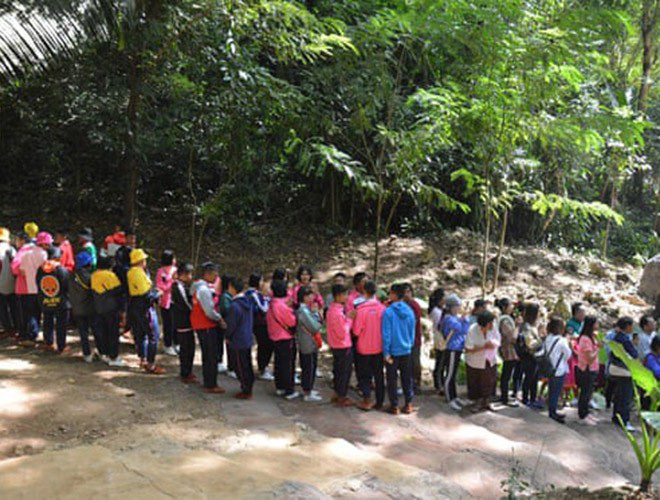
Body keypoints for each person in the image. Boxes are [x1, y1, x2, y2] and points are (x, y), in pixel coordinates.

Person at [127, 248, 164, 374]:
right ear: (141, 260)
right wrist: (158, 293)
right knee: (153, 335)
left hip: (134, 306)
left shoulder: (130, 272)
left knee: (140, 334)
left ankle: (142, 358)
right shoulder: (138, 273)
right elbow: (146, 295)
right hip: (144, 308)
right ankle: (150, 364)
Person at [382, 283, 416, 415]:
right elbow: (412, 331)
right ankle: (408, 403)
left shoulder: (388, 312)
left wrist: (386, 352)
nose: (389, 295)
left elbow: (386, 334)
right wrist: (409, 344)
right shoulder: (409, 311)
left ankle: (394, 405)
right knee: (407, 377)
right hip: (406, 349)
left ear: (395, 295)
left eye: (390, 293)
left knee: (392, 378)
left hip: (392, 351)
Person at [353, 280, 386, 411]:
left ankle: (367, 399)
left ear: (364, 292)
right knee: (378, 374)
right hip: (379, 347)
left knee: (364, 374)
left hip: (364, 348)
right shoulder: (383, 309)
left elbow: (356, 331)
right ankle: (380, 400)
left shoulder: (361, 310)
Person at [13, 231, 47, 345]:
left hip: (26, 286)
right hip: (41, 286)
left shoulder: (24, 253)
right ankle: (35, 333)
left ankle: (29, 335)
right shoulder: (42, 253)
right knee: (37, 311)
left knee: (28, 312)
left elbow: (17, 269)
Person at [267, 279, 298, 399]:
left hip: (275, 337)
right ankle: (289, 390)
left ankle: (279, 386)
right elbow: (292, 321)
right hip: (285, 337)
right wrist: (292, 310)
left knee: (279, 363)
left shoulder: (272, 303)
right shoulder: (282, 306)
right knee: (287, 365)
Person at [225, 277, 255, 400]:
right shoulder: (248, 302)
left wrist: (227, 336)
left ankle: (246, 389)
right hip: (247, 337)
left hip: (238, 340)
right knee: (246, 364)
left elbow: (231, 325)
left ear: (232, 288)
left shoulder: (234, 306)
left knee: (240, 366)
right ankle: (248, 386)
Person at [91, 254, 124, 366]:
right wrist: (122, 309)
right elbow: (119, 292)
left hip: (97, 308)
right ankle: (113, 357)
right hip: (111, 308)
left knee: (102, 332)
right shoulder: (111, 276)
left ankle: (103, 353)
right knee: (113, 333)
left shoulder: (94, 275)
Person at [465, 311, 500, 412]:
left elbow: (498, 339)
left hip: (489, 359)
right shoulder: (472, 330)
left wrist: (493, 344)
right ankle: (478, 402)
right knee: (476, 382)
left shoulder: (493, 328)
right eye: (490, 323)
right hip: (475, 361)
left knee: (489, 381)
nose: (492, 325)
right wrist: (484, 346)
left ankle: (487, 401)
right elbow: (468, 348)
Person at [37, 246, 70, 353]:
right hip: (61, 301)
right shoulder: (61, 270)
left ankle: (49, 343)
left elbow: (38, 283)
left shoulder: (40, 269)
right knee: (61, 324)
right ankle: (61, 346)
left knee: (47, 321)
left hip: (46, 300)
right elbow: (66, 285)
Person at [441, 293, 470, 411]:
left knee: (454, 374)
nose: (459, 308)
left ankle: (455, 397)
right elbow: (462, 329)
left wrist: (463, 319)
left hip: (457, 348)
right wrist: (464, 320)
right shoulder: (448, 319)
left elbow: (464, 330)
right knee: (450, 374)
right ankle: (450, 399)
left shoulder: (455, 318)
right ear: (451, 307)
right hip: (452, 348)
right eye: (457, 306)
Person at [609, 316, 638, 431]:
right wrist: (634, 344)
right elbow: (634, 354)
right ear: (627, 326)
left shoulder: (616, 336)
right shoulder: (625, 339)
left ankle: (616, 417)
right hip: (624, 370)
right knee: (626, 396)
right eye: (631, 325)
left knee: (619, 394)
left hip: (615, 368)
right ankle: (624, 421)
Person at [327, 283, 354, 407]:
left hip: (335, 344)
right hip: (342, 345)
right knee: (343, 372)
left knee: (338, 370)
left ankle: (338, 393)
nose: (347, 297)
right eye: (345, 294)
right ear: (338, 296)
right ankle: (342, 396)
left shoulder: (333, 309)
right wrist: (349, 319)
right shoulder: (337, 313)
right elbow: (342, 332)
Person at [295, 286, 323, 402]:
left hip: (310, 343)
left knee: (311, 365)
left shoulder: (306, 309)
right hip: (307, 343)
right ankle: (307, 391)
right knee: (308, 367)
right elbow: (315, 326)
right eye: (310, 295)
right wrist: (316, 313)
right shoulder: (303, 311)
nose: (312, 297)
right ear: (305, 297)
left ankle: (309, 389)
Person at [542, 317, 572, 424]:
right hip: (559, 369)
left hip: (549, 367)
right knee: (556, 391)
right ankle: (553, 413)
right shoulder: (562, 340)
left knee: (551, 390)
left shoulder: (547, 338)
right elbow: (568, 355)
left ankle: (552, 410)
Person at [69, 251, 97, 362]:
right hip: (89, 309)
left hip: (76, 309)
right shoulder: (89, 277)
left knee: (83, 333)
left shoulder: (71, 276)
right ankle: (101, 351)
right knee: (96, 332)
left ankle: (87, 354)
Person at [245, 272, 273, 381]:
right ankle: (262, 368)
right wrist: (266, 300)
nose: (262, 283)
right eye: (261, 281)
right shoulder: (252, 294)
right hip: (258, 325)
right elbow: (262, 309)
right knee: (264, 345)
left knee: (265, 346)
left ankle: (263, 367)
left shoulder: (256, 293)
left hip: (259, 324)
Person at [171, 262, 196, 384]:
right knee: (186, 348)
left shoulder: (184, 286)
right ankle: (185, 373)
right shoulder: (178, 287)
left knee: (190, 347)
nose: (191, 277)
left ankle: (188, 371)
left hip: (188, 323)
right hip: (183, 323)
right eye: (189, 274)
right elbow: (186, 304)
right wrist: (195, 311)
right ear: (183, 275)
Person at [518, 303, 544, 409]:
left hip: (534, 357)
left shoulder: (532, 326)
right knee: (529, 378)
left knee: (534, 379)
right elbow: (530, 344)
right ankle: (526, 399)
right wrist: (541, 340)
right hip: (529, 357)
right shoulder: (527, 327)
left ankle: (533, 399)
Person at [576, 316, 600, 425]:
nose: (598, 324)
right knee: (585, 393)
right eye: (596, 323)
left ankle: (586, 413)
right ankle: (582, 415)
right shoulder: (585, 339)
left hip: (592, 369)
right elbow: (590, 358)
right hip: (586, 369)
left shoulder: (592, 337)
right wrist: (598, 348)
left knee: (589, 392)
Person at [496, 298, 519, 407]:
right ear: (505, 307)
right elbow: (512, 337)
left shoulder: (506, 319)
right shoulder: (505, 321)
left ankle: (504, 395)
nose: (512, 307)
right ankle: (504, 397)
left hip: (508, 349)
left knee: (507, 373)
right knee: (506, 374)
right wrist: (518, 326)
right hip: (508, 349)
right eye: (510, 305)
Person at [156, 249, 178, 356]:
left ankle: (176, 343)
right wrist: (171, 282)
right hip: (165, 302)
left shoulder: (175, 270)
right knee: (168, 323)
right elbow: (160, 287)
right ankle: (167, 345)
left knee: (176, 322)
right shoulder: (161, 272)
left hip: (176, 301)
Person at [403, 283, 423, 393]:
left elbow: (414, 321)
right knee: (407, 363)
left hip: (414, 338)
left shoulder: (414, 305)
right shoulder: (400, 304)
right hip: (404, 339)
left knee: (415, 362)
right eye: (405, 292)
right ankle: (408, 382)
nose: (406, 294)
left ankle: (417, 383)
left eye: (408, 292)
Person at [428, 288, 446, 394]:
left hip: (440, 337)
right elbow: (441, 325)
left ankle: (440, 382)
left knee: (441, 362)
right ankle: (438, 384)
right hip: (440, 338)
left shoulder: (438, 310)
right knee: (440, 362)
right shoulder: (436, 311)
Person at [0, 228, 17, 336]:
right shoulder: (12, 249)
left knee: (2, 308)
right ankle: (17, 327)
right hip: (13, 283)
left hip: (0, 283)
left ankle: (7, 328)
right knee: (14, 306)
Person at [218, 273, 234, 376]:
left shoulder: (227, 295)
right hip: (226, 324)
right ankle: (230, 367)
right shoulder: (225, 297)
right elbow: (226, 310)